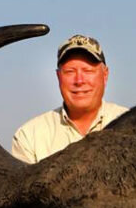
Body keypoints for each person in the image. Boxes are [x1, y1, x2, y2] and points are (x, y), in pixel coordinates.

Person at [11, 34, 128, 164]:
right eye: (70, 72)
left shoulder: (133, 126)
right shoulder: (29, 136)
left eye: (88, 71)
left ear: (105, 75)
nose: (79, 80)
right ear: (58, 77)